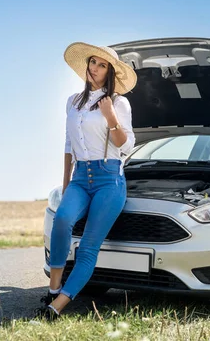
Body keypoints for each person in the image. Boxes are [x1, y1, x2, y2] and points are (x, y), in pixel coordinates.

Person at [37, 42, 137, 320]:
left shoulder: (119, 103)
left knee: (89, 247)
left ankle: (56, 307)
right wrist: (66, 183)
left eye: (101, 65)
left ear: (109, 72)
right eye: (92, 62)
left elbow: (125, 146)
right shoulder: (72, 101)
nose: (94, 68)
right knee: (62, 220)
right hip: (80, 177)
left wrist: (111, 117)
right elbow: (69, 145)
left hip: (109, 179)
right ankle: (54, 287)